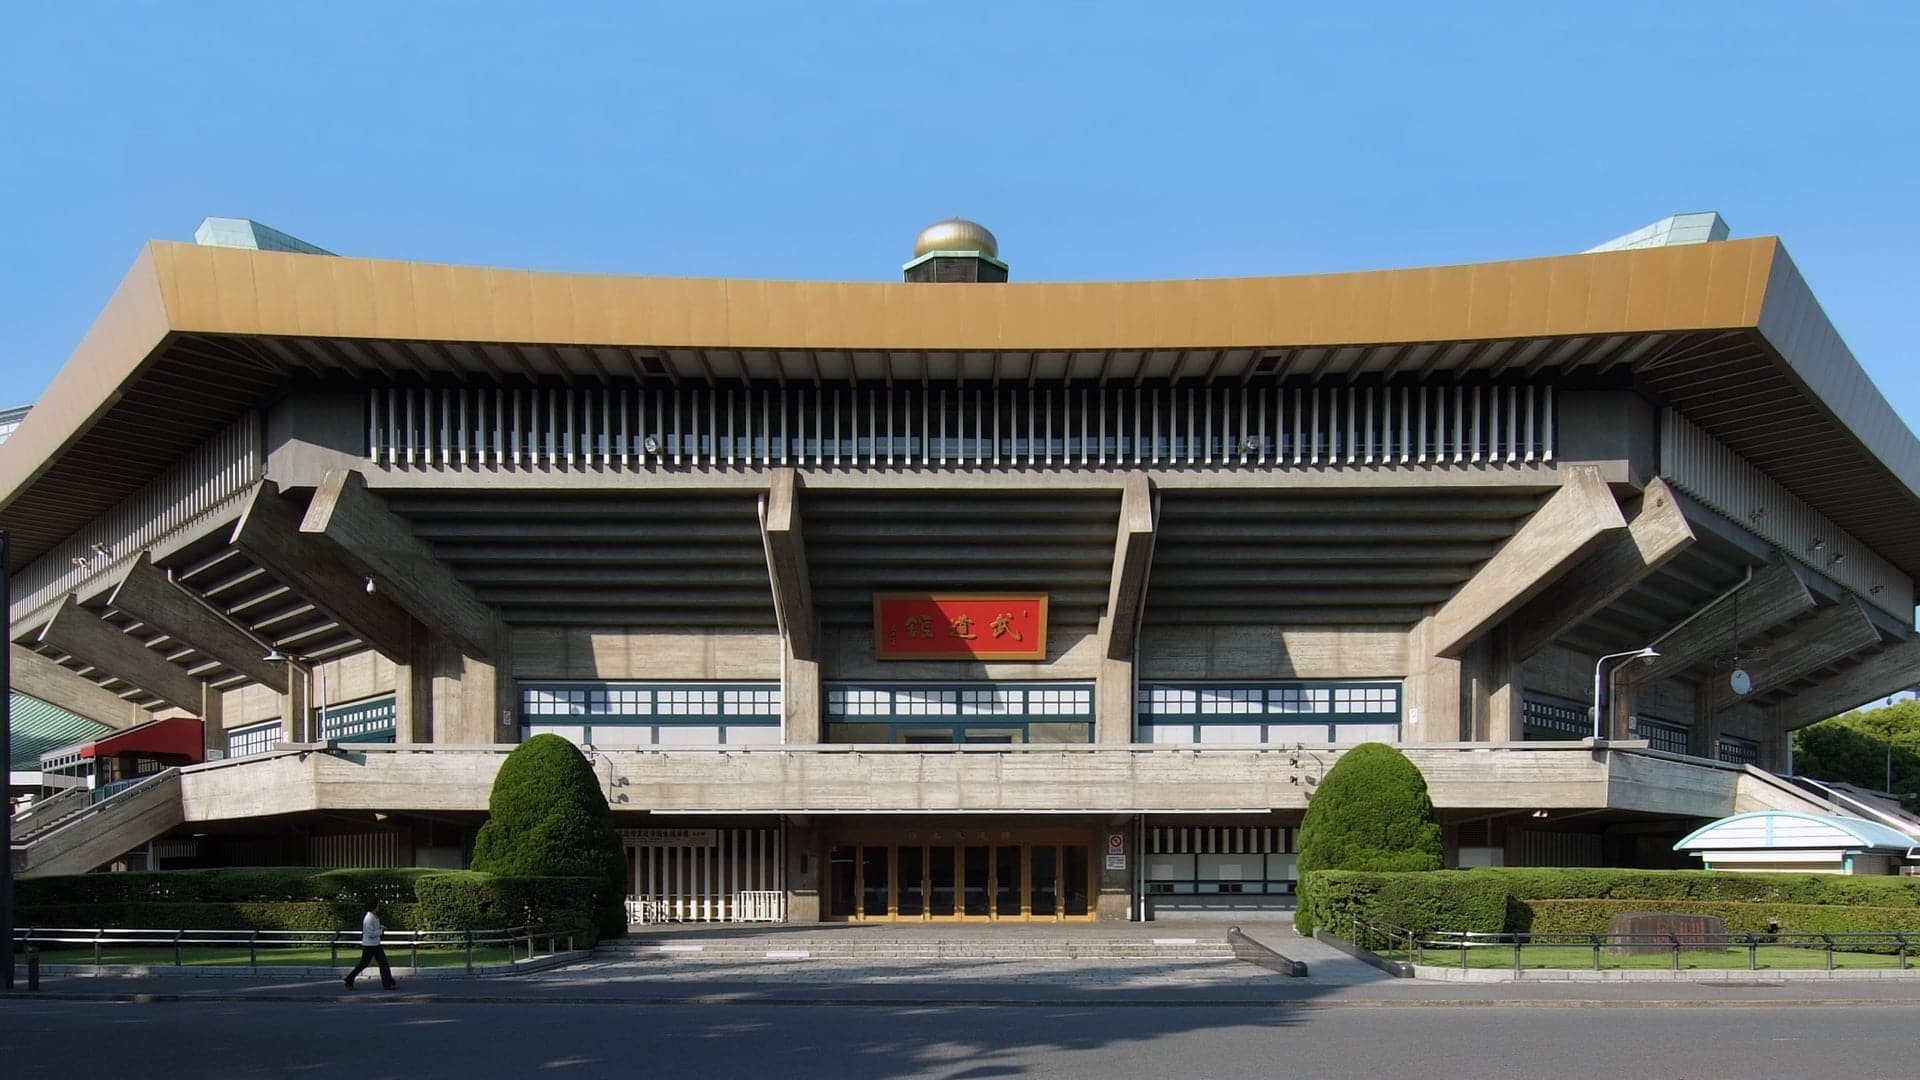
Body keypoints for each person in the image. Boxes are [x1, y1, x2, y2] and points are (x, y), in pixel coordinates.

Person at [344, 899, 397, 990]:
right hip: (371, 945)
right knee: (379, 964)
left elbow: (373, 929)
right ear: (374, 907)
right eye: (377, 905)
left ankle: (388, 982)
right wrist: (381, 931)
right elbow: (370, 933)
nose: (378, 907)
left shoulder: (373, 916)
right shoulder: (369, 918)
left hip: (373, 944)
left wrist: (380, 927)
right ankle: (388, 983)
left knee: (377, 964)